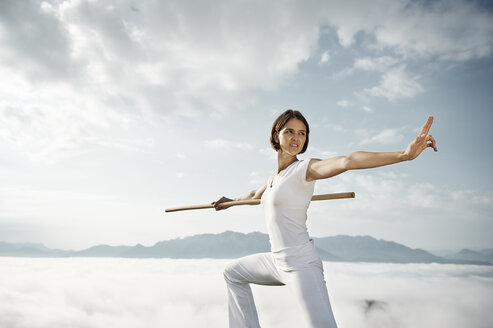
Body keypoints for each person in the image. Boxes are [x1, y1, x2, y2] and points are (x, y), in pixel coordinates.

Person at [212, 109, 437, 328]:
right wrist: (230, 201)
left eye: (302, 133)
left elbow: (348, 160)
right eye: (290, 131)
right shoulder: (275, 178)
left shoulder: (305, 169)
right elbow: (254, 196)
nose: (296, 137)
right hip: (276, 261)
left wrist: (404, 155)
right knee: (232, 274)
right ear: (275, 135)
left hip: (301, 264)